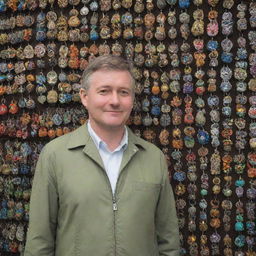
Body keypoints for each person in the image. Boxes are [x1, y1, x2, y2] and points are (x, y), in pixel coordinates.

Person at [24, 55, 180, 256]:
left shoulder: (153, 157)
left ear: (132, 99)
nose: (115, 101)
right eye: (104, 91)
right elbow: (39, 241)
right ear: (84, 97)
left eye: (123, 92)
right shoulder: (55, 156)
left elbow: (168, 241)